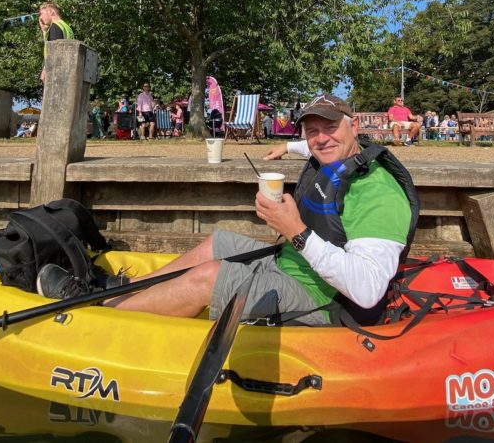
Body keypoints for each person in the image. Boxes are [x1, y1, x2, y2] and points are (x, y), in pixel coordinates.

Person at [37, 94, 418, 327]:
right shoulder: (334, 149)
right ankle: (125, 295)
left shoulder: (379, 195)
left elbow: (367, 291)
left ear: (354, 128)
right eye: (310, 130)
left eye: (330, 127)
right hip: (293, 265)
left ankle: (98, 319)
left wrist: (296, 232)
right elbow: (319, 146)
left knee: (210, 277)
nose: (320, 138)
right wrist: (288, 148)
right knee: (217, 242)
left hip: (325, 302)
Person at [37, 1, 74, 83]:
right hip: (66, 71)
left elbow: (53, 53)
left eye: (41, 14)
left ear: (51, 12)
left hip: (56, 75)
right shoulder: (66, 27)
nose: (40, 18)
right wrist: (44, 31)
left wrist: (46, 70)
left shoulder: (55, 26)